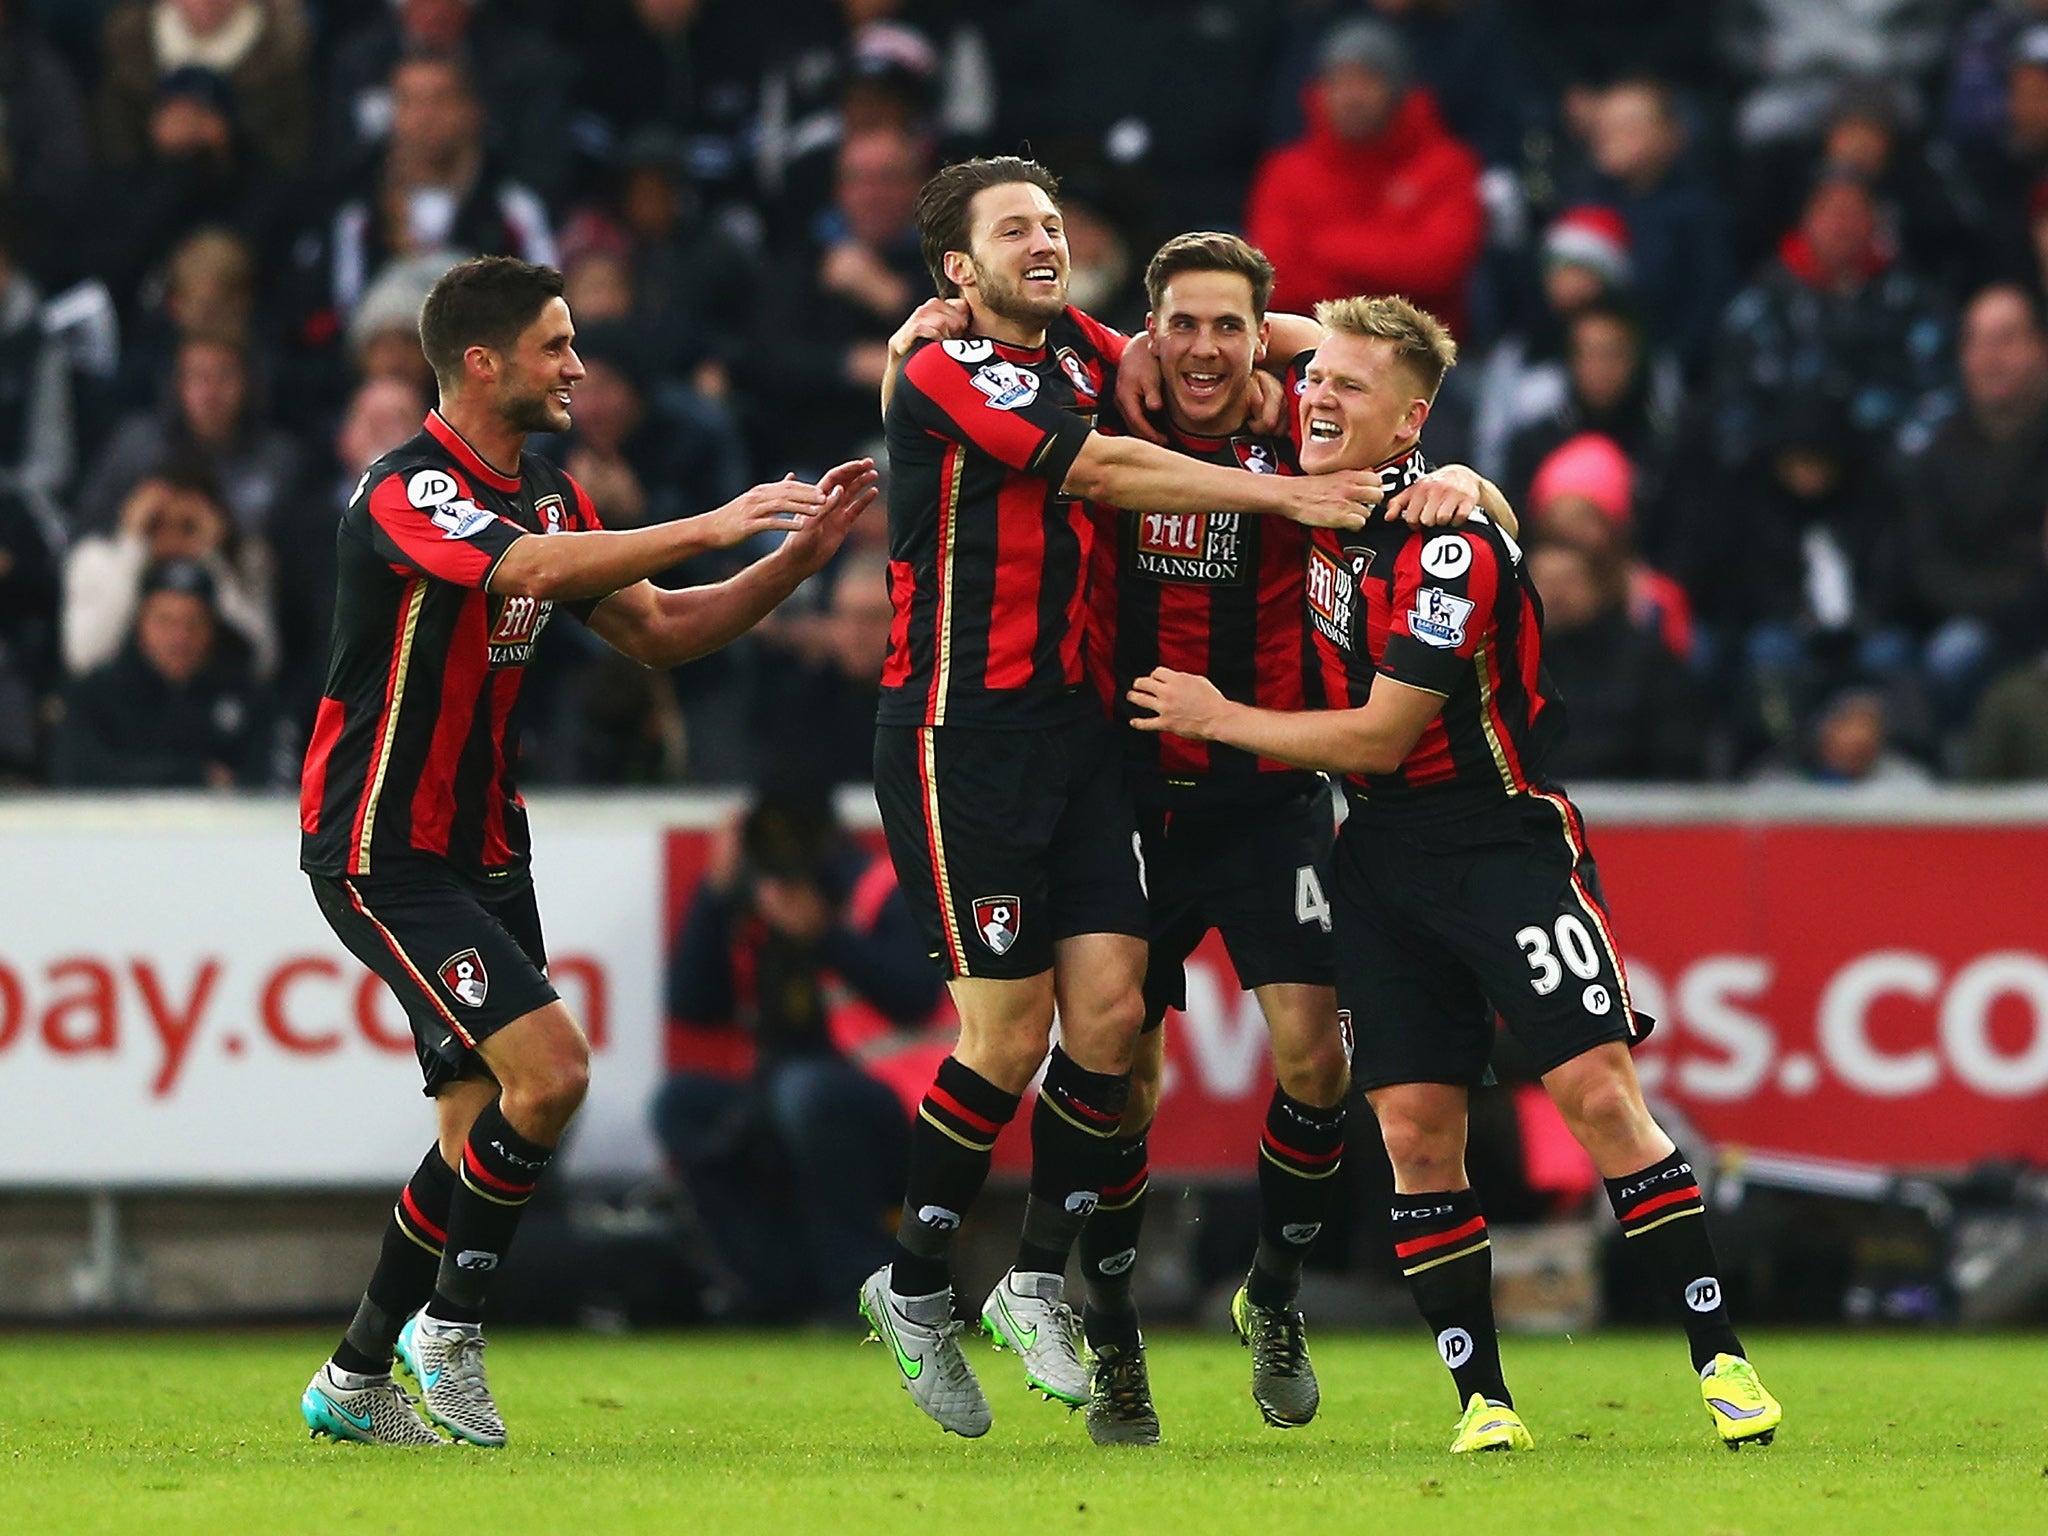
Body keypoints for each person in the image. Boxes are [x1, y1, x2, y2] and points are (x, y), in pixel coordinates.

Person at [1127, 294, 1783, 1455]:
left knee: (1594, 1095)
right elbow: (1241, 329)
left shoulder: (1448, 542)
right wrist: (1347, 362)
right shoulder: (1318, 475)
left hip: (1500, 846)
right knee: (1418, 1133)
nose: (1314, 395)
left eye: (1347, 388)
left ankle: (1719, 1361)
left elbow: (1380, 736)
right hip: (1377, 862)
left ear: (1409, 421)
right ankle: (1483, 1401)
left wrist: (1220, 714)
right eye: (1313, 379)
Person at [297, 254, 878, 1449]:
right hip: (381, 846)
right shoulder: (406, 493)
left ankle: (355, 1378)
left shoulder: (549, 491)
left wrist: (787, 565)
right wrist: (710, 520)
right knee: (552, 1077)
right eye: (556, 346)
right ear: (480, 361)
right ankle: (450, 1338)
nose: (577, 366)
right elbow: (525, 572)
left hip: (485, 847)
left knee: (475, 1141)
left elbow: (660, 632)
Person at [860, 156, 1382, 1441]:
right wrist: (1277, 491)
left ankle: (1041, 1279)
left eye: (1050, 224)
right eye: (1012, 231)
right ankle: (917, 1287)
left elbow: (1333, 346)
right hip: (960, 734)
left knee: (1108, 1023)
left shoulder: (1099, 353)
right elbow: (1091, 474)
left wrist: (1307, 360)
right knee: (1008, 1036)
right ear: (955, 270)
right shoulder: (950, 368)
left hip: (1102, 749)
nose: (1042, 242)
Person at [1074, 231, 1510, 1446]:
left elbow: (1430, 466)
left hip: (1269, 794)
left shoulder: (1311, 433)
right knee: (1118, 1080)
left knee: (1318, 1064)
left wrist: (1465, 480)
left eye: (1233, 327)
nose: (1206, 349)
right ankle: (1113, 1339)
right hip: (1132, 798)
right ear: (1147, 331)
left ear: (1264, 333)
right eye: (1183, 326)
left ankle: (1271, 1290)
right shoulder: (1110, 422)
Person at [652, 787, 938, 1319]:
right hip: (789, 1098)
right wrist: (716, 893)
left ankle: (863, 1284)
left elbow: (916, 996)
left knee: (806, 1092)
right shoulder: (755, 903)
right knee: (682, 1105)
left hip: (907, 1111)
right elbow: (693, 1005)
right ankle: (773, 1289)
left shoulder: (882, 889)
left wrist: (825, 936)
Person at [1245, 18, 1484, 335]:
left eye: (1368, 80)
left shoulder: (1447, 166)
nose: (1352, 96)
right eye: (1339, 81)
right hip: (1310, 346)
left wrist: (1326, 246)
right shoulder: (1287, 170)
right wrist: (1387, 266)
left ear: (1398, 91)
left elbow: (1436, 269)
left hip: (1417, 351)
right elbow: (1275, 277)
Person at [52, 557, 275, 788]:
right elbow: (76, 772)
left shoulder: (246, 695)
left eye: (194, 621)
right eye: (165, 621)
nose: (180, 637)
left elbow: (269, 779)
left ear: (213, 627)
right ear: (141, 623)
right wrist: (193, 776)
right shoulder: (97, 693)